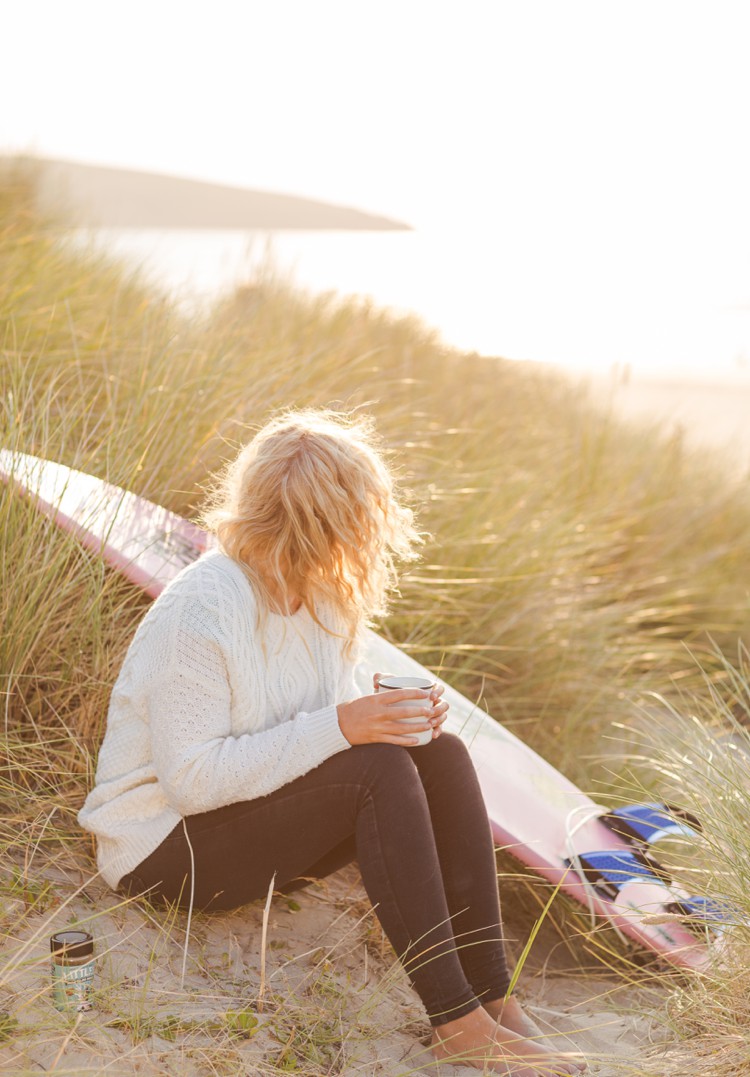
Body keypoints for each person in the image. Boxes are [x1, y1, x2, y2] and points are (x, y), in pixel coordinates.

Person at [79, 409, 586, 1075]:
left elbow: (317, 730)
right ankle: (458, 1024)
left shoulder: (323, 597)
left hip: (244, 825)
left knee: (439, 752)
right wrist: (350, 726)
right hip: (163, 850)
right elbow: (192, 781)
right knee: (374, 769)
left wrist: (391, 718)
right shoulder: (205, 603)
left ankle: (495, 999)